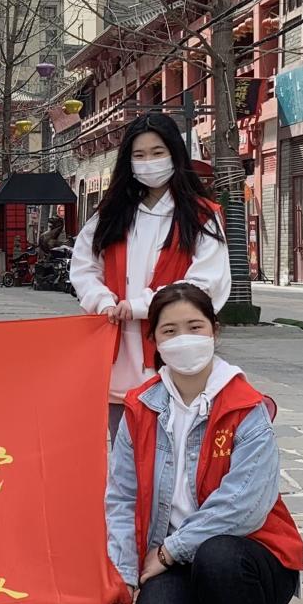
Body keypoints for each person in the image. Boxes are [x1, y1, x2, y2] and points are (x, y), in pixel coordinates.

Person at [103, 283, 302, 604]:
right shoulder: (140, 407)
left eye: (195, 327)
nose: (184, 339)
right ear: (154, 341)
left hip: (250, 562)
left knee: (217, 554)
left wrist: (169, 552)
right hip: (176, 563)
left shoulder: (246, 407)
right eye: (170, 331)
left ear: (214, 330)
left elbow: (245, 507)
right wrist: (124, 574)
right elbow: (121, 495)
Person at [69, 113, 230, 442]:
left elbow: (206, 283)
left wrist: (142, 306)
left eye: (157, 152)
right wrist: (103, 301)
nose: (149, 162)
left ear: (174, 155)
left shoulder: (200, 215)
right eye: (139, 155)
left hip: (174, 349)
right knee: (123, 447)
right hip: (117, 351)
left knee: (175, 448)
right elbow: (84, 266)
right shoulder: (111, 214)